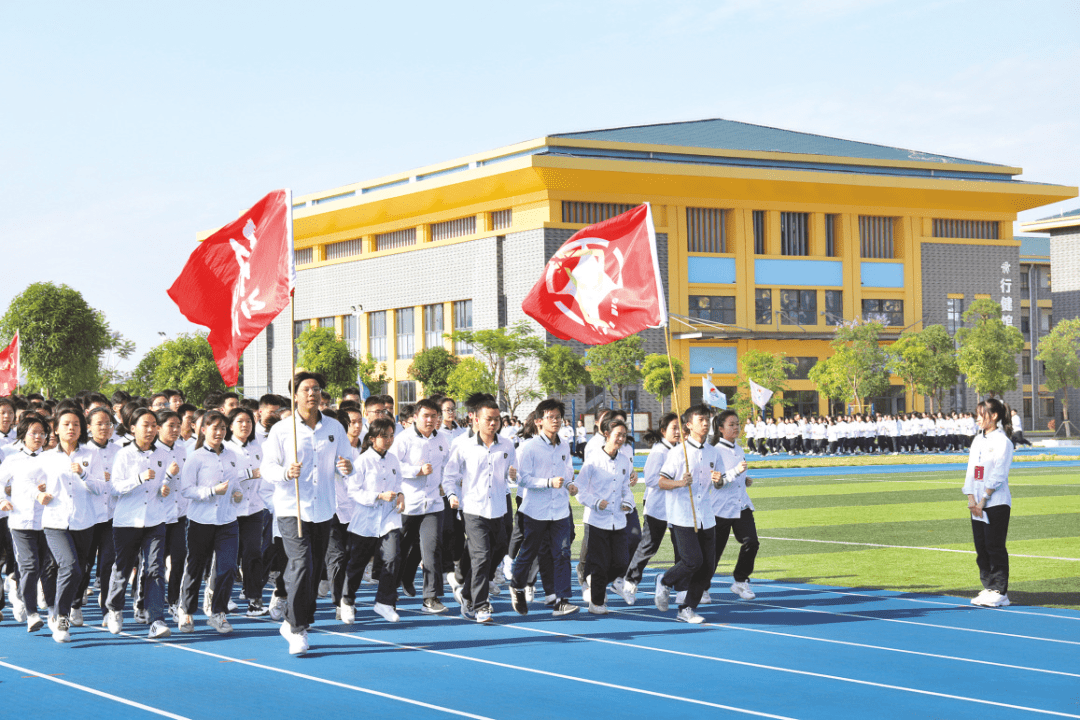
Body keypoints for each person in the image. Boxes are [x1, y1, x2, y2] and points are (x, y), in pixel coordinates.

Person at [261, 372, 354, 655]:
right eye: (305, 389)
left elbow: (348, 459)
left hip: (323, 507)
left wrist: (347, 468)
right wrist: (285, 473)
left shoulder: (334, 427)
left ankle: (299, 616)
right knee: (301, 563)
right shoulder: (282, 429)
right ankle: (296, 627)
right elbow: (267, 467)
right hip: (293, 508)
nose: (311, 393)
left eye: (316, 389)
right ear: (295, 395)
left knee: (313, 569)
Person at [442, 399, 514, 623]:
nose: (493, 424)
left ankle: (466, 593)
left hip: (499, 508)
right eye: (488, 419)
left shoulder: (507, 446)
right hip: (473, 509)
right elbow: (449, 476)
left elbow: (516, 474)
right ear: (476, 418)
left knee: (499, 549)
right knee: (481, 556)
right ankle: (481, 605)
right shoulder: (463, 445)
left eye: (496, 419)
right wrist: (452, 495)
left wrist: (514, 475)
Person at [39, 406, 107, 642]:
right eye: (66, 424)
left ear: (82, 429)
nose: (71, 428)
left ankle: (57, 610)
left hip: (84, 521)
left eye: (76, 424)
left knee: (80, 570)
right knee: (70, 566)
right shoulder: (46, 457)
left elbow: (101, 488)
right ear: (56, 429)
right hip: (55, 521)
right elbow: (31, 484)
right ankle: (61, 620)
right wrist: (37, 494)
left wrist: (84, 475)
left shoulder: (91, 455)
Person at [106, 407, 174, 638]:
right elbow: (114, 488)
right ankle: (114, 609)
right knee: (124, 569)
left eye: (154, 425)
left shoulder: (163, 455)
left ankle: (156, 619)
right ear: (132, 428)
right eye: (145, 425)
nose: (150, 429)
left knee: (155, 569)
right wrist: (138, 478)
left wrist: (165, 488)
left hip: (155, 519)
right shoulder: (124, 455)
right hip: (127, 521)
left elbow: (164, 485)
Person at [508, 398, 579, 617]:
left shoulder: (564, 445)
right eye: (550, 417)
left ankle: (562, 600)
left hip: (559, 509)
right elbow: (522, 479)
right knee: (529, 552)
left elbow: (566, 473)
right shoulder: (529, 447)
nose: (555, 421)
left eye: (558, 417)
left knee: (563, 552)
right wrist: (548, 482)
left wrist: (569, 484)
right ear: (539, 421)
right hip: (535, 509)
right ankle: (517, 585)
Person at [654, 404, 720, 624]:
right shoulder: (677, 452)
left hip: (707, 517)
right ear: (689, 425)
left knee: (708, 568)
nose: (705, 423)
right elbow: (661, 481)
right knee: (692, 561)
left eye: (707, 419)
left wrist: (718, 482)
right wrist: (681, 482)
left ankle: (687, 608)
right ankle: (664, 580)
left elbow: (716, 484)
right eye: (701, 419)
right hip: (683, 515)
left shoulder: (713, 451)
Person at [341, 417, 404, 624]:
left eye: (391, 435)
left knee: (392, 558)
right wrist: (378, 495)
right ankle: (347, 601)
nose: (388, 440)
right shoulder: (363, 461)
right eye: (383, 436)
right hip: (366, 520)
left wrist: (401, 496)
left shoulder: (394, 459)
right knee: (357, 564)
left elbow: (399, 483)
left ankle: (384, 602)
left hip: (389, 518)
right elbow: (353, 491)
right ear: (372, 439)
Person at [393, 398, 451, 614]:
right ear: (415, 417)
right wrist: (415, 471)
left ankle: (431, 597)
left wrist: (446, 484)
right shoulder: (403, 439)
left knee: (432, 548)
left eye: (434, 416)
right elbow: (393, 466)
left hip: (434, 502)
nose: (430, 420)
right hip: (407, 503)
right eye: (425, 416)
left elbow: (447, 465)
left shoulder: (442, 440)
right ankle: (392, 588)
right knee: (400, 547)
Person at [1, 413, 57, 633]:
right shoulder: (12, 459)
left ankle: (51, 608)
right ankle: (32, 613)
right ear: (23, 434)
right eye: (34, 433)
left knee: (47, 567)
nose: (39, 437)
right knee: (30, 566)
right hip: (21, 521)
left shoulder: (51, 458)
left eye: (42, 433)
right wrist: (2, 499)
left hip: (48, 520)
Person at [618, 412, 679, 605]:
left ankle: (682, 587)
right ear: (663, 431)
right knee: (648, 547)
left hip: (678, 507)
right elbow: (651, 479)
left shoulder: (680, 450)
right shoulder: (659, 451)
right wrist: (675, 483)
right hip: (658, 507)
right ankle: (629, 582)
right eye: (674, 428)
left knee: (682, 548)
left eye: (680, 428)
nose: (678, 432)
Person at [575, 415, 635, 614]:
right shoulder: (592, 461)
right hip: (597, 521)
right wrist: (595, 502)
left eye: (624, 436)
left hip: (618, 520)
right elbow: (579, 490)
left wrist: (628, 502)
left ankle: (596, 580)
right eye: (617, 435)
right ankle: (596, 603)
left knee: (621, 562)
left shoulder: (625, 460)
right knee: (600, 563)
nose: (621, 439)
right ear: (607, 434)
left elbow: (626, 487)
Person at [964, 398, 1015, 608]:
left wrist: (984, 498)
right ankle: (988, 586)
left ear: (993, 416)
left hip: (996, 503)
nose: (977, 418)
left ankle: (1000, 591)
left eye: (980, 414)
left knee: (995, 546)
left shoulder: (1003, 442)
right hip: (977, 502)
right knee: (981, 547)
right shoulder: (978, 440)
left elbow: (999, 473)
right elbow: (970, 470)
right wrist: (971, 497)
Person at [709, 410, 759, 601]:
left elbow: (734, 476)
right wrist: (737, 472)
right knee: (714, 551)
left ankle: (740, 581)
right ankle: (702, 586)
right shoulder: (715, 451)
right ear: (720, 429)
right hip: (720, 508)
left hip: (741, 505)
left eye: (737, 424)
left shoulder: (739, 448)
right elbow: (717, 482)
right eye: (731, 424)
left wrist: (744, 480)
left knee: (751, 542)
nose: (736, 427)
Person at [224, 407, 269, 617]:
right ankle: (223, 598)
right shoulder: (224, 448)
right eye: (240, 421)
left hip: (254, 509)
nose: (245, 425)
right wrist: (249, 473)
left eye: (249, 421)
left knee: (253, 554)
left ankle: (254, 601)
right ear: (230, 425)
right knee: (229, 557)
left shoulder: (259, 447)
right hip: (229, 511)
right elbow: (223, 476)